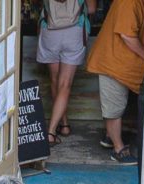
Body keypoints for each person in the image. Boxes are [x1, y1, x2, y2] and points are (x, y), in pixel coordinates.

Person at [85, 0, 144, 164]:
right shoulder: (130, 2)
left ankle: (110, 136)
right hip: (112, 63)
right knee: (114, 108)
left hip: (121, 64)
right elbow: (127, 35)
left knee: (116, 105)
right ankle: (118, 150)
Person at [37, 0, 97, 144]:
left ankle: (64, 124)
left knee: (55, 80)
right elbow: (92, 9)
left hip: (50, 30)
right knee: (65, 84)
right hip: (74, 32)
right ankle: (51, 132)